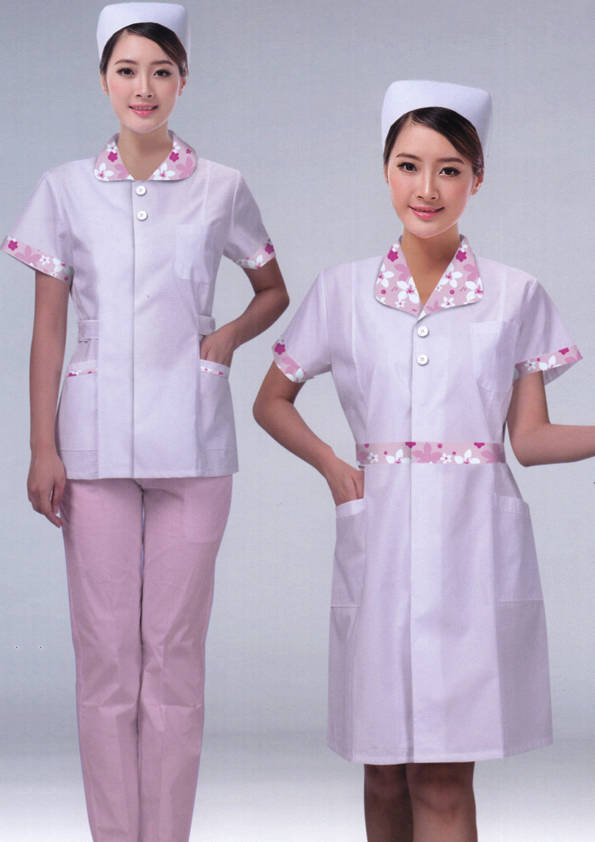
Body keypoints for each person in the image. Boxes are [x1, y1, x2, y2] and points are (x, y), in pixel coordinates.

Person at [253, 79, 593, 842]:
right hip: (378, 542)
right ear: (384, 171)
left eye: (449, 169)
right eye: (408, 166)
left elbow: (530, 440)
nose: (427, 188)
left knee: (441, 773)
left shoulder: (515, 295)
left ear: (478, 177)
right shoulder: (341, 292)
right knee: (382, 769)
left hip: (473, 549)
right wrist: (335, 469)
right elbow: (271, 400)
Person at [2, 3, 288, 840]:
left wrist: (222, 341)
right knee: (106, 663)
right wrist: (42, 446)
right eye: (127, 70)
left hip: (193, 446)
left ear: (183, 81)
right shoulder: (63, 190)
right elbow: (48, 328)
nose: (144, 87)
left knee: (173, 659)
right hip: (90, 450)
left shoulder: (221, 187)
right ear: (102, 80)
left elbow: (271, 288)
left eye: (161, 71)